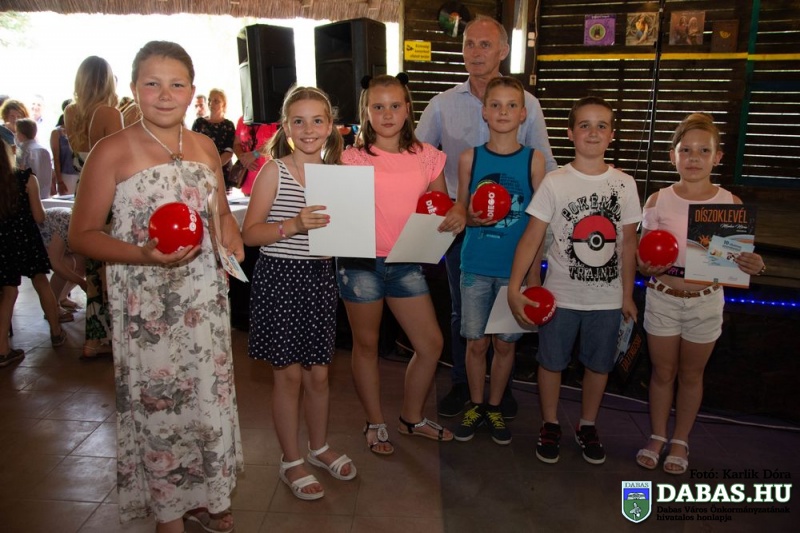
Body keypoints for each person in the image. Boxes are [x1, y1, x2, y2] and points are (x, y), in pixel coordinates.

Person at [69, 40, 244, 533]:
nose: (165, 95)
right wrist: (143, 254)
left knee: (206, 399)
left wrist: (230, 235)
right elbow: (81, 235)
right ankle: (169, 511)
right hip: (146, 305)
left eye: (176, 84)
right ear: (133, 88)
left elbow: (220, 214)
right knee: (161, 405)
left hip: (203, 300)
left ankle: (205, 495)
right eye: (152, 83)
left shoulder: (205, 147)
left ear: (191, 91)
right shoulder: (112, 150)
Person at [416, 15, 557, 419]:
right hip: (461, 224)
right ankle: (464, 386)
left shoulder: (529, 103)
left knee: (508, 315)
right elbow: (419, 160)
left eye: (484, 44)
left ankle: (500, 392)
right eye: (469, 44)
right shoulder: (442, 104)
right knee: (464, 313)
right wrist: (451, 206)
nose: (475, 52)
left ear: (503, 51)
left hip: (515, 229)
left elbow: (545, 165)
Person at [507, 96, 641, 465]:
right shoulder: (555, 182)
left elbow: (629, 244)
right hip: (561, 297)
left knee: (599, 366)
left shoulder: (625, 184)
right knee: (551, 362)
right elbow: (532, 237)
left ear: (612, 134)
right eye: (584, 125)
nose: (593, 132)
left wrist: (627, 296)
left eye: (601, 126)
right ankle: (550, 423)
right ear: (570, 133)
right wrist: (517, 287)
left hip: (607, 300)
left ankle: (588, 424)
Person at [339, 74, 465, 455]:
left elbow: (440, 208)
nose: (387, 113)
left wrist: (458, 212)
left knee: (430, 344)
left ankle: (411, 417)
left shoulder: (427, 156)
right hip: (360, 263)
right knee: (367, 346)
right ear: (366, 111)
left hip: (407, 261)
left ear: (408, 109)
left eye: (395, 105)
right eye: (378, 107)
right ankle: (375, 423)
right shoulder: (351, 158)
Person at [242, 85, 356, 500]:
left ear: (331, 126)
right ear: (286, 128)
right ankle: (291, 459)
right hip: (280, 279)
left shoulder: (337, 175)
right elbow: (250, 234)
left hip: (319, 279)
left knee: (319, 374)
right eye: (299, 121)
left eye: (317, 120)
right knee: (288, 376)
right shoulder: (274, 171)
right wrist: (293, 225)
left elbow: (347, 232)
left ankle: (318, 447)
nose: (309, 129)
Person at [635, 113, 765, 475]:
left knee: (691, 375)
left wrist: (754, 265)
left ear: (717, 157)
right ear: (672, 156)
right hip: (662, 297)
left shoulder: (730, 203)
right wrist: (645, 267)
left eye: (703, 150)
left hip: (705, 302)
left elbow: (737, 259)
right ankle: (658, 435)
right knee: (663, 372)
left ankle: (681, 440)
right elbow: (643, 255)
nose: (694, 158)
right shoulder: (658, 200)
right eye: (686, 150)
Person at [453, 77, 546, 445]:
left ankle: (494, 406)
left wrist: (533, 277)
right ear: (484, 112)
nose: (503, 112)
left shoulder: (534, 160)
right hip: (475, 266)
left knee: (505, 344)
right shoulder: (469, 158)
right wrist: (468, 218)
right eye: (495, 105)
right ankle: (476, 404)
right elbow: (460, 209)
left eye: (511, 105)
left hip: (515, 274)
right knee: (476, 343)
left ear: (523, 114)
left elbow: (539, 224)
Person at [64, 55, 124, 358]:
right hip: (108, 196)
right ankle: (118, 337)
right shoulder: (109, 113)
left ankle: (93, 339)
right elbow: (120, 159)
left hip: (83, 194)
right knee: (112, 268)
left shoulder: (70, 112)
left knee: (93, 271)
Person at [1, 143, 67, 368]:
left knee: (9, 291)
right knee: (41, 282)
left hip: (2, 243)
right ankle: (56, 332)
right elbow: (39, 217)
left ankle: (2, 349)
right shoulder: (26, 179)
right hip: (26, 238)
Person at [39, 207, 87, 329]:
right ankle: (52, 307)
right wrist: (81, 282)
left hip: (55, 241)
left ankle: (62, 297)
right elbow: (54, 262)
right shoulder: (67, 222)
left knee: (81, 263)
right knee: (67, 264)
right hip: (37, 241)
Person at [192, 89, 235, 190]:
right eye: (210, 100)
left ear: (224, 104)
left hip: (222, 172)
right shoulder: (199, 123)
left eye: (216, 101)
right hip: (201, 171)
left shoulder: (228, 125)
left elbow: (228, 152)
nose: (211, 103)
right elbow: (192, 147)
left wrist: (213, 167)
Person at [232, 116, 279, 195]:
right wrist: (244, 160)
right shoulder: (242, 119)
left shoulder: (273, 118)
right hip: (247, 184)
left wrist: (255, 154)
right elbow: (236, 144)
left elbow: (277, 144)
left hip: (269, 182)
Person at [14, 118, 53, 198]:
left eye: (16, 132)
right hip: (44, 193)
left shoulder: (22, 151)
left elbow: (20, 173)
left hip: (28, 195)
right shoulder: (44, 150)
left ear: (21, 134)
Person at [50, 100, 79, 195]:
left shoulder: (82, 130)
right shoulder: (56, 133)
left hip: (82, 174)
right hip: (66, 176)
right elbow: (56, 158)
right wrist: (59, 181)